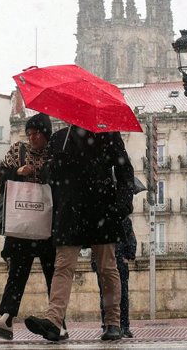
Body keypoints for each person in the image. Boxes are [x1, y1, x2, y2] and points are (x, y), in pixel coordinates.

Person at [25, 126, 134, 342]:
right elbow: (49, 176)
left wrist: (123, 204)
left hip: (102, 206)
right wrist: (51, 165)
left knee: (106, 266)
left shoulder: (109, 135)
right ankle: (54, 321)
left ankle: (113, 323)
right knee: (63, 266)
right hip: (70, 211)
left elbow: (125, 170)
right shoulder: (60, 138)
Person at [0, 113, 63, 340]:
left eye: (36, 133)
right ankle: (6, 319)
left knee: (52, 274)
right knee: (17, 272)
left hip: (48, 224)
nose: (32, 137)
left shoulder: (56, 152)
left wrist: (46, 171)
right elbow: (0, 178)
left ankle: (59, 323)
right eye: (29, 133)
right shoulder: (19, 151)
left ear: (46, 133)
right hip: (22, 224)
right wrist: (17, 172)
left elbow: (61, 182)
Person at [92, 216, 137, 338]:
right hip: (108, 261)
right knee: (106, 295)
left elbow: (130, 238)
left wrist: (128, 256)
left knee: (120, 294)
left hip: (119, 261)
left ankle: (123, 326)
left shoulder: (124, 220)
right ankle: (109, 325)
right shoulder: (115, 219)